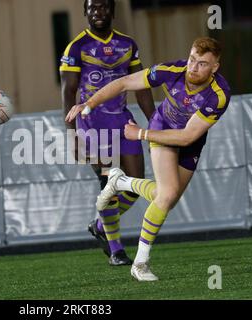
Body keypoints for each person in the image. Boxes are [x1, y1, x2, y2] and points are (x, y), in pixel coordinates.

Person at [66, 37, 231, 281]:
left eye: (202, 64)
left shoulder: (219, 95)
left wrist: (140, 134)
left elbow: (186, 137)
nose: (193, 68)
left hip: (189, 141)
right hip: (161, 126)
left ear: (215, 67)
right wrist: (89, 103)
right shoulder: (172, 70)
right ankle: (140, 264)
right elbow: (124, 83)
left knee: (166, 198)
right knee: (166, 195)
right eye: (192, 59)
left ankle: (120, 183)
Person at [60, 0, 155, 266]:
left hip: (123, 121)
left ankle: (100, 225)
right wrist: (73, 135)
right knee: (110, 183)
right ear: (85, 13)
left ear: (112, 12)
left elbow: (142, 86)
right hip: (91, 124)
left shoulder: (128, 44)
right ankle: (116, 251)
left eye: (103, 8)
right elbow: (68, 92)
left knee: (136, 186)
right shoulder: (76, 47)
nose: (97, 12)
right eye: (92, 8)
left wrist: (153, 123)